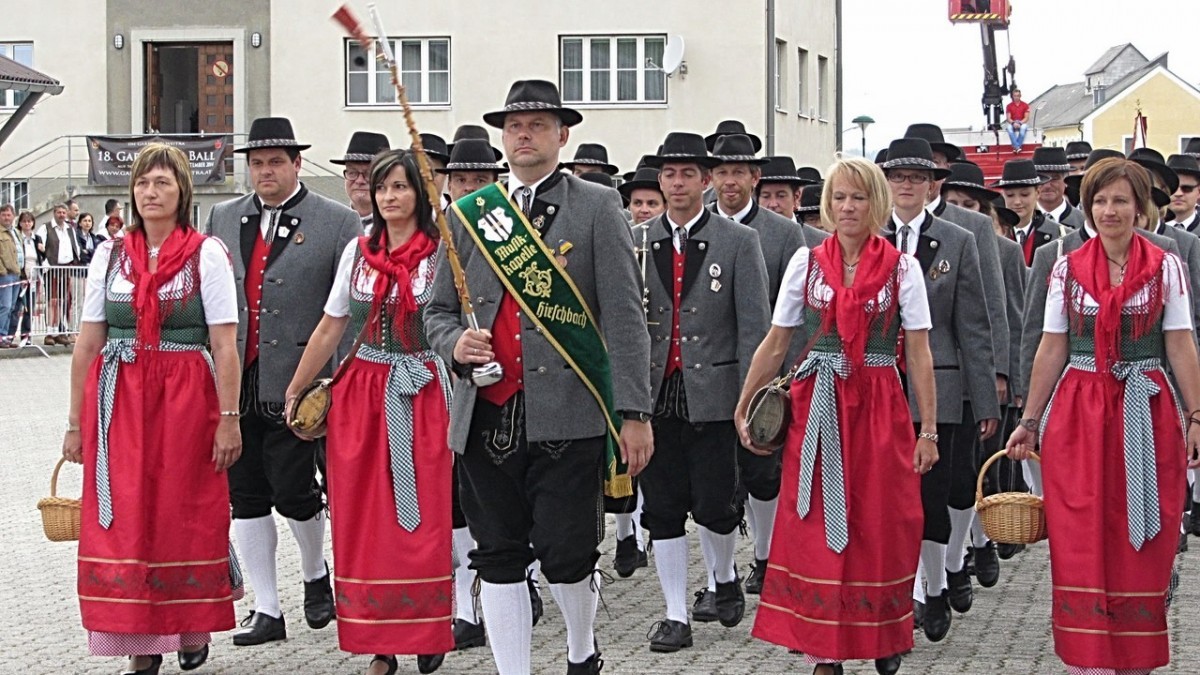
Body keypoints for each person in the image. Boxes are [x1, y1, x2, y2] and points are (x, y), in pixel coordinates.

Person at [424, 79, 652, 675]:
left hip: (570, 410)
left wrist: (634, 413)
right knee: (496, 554)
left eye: (537, 125)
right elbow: (437, 311)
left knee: (566, 551)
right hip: (485, 412)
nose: (524, 135)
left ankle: (581, 650)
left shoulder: (597, 205)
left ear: (562, 135)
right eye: (514, 126)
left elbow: (625, 318)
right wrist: (456, 344)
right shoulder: (470, 214)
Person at [738, 156, 938, 675]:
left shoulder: (903, 268)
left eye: (859, 197)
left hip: (879, 404)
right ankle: (823, 650)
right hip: (817, 408)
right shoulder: (805, 264)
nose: (848, 208)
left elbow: (919, 352)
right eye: (839, 197)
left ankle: (882, 631)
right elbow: (777, 340)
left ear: (877, 203)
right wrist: (747, 399)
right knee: (814, 522)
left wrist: (929, 429)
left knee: (881, 519)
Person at [1006, 157, 1200, 675]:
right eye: (1099, 201)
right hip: (1080, 407)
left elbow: (1180, 343)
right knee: (1080, 528)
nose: (1109, 211)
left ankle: (1135, 656)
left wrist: (1196, 415)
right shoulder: (1067, 269)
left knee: (1145, 532)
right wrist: (1030, 418)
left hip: (1147, 406)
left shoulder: (1166, 266)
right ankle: (1088, 658)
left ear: (1140, 208)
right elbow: (1051, 346)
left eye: (1120, 201)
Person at [61, 142, 242, 675]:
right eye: (142, 182)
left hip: (186, 397)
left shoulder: (207, 254)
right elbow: (88, 342)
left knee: (182, 512)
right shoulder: (109, 255)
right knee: (126, 515)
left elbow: (224, 345)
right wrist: (75, 422)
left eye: (162, 182)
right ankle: (141, 643)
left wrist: (229, 419)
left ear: (182, 191)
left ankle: (187, 625)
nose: (150, 192)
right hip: (119, 398)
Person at [285, 150, 450, 675]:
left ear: (420, 192)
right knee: (363, 519)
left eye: (400, 186)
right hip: (361, 394)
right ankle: (380, 643)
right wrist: (297, 387)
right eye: (382, 188)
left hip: (421, 391)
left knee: (421, 516)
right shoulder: (358, 253)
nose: (390, 197)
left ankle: (427, 627)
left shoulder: (444, 254)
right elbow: (332, 324)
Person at [206, 117, 362, 647]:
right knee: (245, 494)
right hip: (237, 376)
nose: (265, 171)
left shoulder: (338, 221)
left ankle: (316, 573)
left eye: (275, 161)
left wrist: (336, 380)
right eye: (256, 163)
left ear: (297, 164)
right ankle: (266, 608)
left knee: (296, 489)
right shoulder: (223, 216)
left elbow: (347, 312)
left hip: (302, 378)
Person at [636, 132, 769, 652]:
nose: (677, 183)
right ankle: (674, 614)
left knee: (716, 503)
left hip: (715, 393)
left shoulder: (738, 241)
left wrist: (751, 398)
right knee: (663, 508)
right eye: (669, 174)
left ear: (706, 180)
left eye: (687, 174)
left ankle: (724, 575)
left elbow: (754, 327)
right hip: (655, 394)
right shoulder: (638, 239)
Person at [881, 137, 999, 643]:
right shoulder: (869, 237)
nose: (907, 186)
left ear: (933, 185)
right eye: (898, 177)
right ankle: (901, 591)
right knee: (890, 498)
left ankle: (934, 586)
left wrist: (986, 397)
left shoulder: (957, 239)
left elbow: (974, 324)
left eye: (917, 178)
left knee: (933, 495)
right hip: (881, 385)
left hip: (942, 388)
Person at [708, 134, 812, 600]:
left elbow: (796, 312)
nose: (729, 181)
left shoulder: (783, 233)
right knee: (714, 479)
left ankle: (766, 556)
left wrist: (789, 377)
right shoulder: (699, 224)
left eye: (739, 172)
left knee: (762, 472)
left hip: (767, 369)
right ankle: (719, 575)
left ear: (755, 178)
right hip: (709, 369)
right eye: (722, 172)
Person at [433, 135, 508, 651]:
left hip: (483, 384)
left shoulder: (508, 231)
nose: (469, 189)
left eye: (480, 181)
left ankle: (514, 586)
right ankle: (463, 604)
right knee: (450, 502)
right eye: (461, 180)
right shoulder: (436, 232)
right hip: (427, 380)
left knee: (490, 501)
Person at [756, 155, 828, 246]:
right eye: (766, 196)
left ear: (796, 197)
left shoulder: (821, 242)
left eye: (781, 196)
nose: (773, 204)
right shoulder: (748, 239)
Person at [36, 203, 81, 345]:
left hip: (66, 269)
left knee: (62, 301)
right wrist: (45, 264)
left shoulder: (70, 229)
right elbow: (39, 248)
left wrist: (75, 262)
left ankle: (59, 331)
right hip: (52, 269)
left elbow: (75, 247)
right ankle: (50, 333)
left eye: (63, 212)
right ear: (54, 213)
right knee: (52, 301)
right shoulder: (45, 228)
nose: (61, 215)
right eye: (59, 212)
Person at [332, 130, 392, 234]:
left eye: (368, 174)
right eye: (352, 172)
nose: (360, 180)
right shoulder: (331, 223)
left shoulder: (399, 228)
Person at [1033, 147, 1086, 228]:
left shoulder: (1084, 222)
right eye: (1042, 178)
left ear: (1066, 180)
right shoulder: (1023, 222)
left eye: (1055, 178)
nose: (1047, 185)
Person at [11, 210, 40, 346]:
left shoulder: (37, 238)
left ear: (33, 223)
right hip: (21, 277)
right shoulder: (17, 237)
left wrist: (42, 250)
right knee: (17, 307)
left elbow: (41, 257)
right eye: (24, 221)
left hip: (34, 277)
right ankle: (10, 335)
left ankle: (26, 335)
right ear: (20, 223)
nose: (27, 224)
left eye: (29, 221)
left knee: (30, 308)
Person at [0, 204, 19, 348]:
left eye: (9, 215)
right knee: (4, 306)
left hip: (15, 274)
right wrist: (2, 271)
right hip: (5, 275)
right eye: (3, 215)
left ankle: (6, 336)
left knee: (12, 307)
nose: (6, 218)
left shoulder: (14, 232)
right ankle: (1, 335)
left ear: (13, 216)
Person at [1167, 154, 1200, 233]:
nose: (1178, 193)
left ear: (1199, 192)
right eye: (1173, 188)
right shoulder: (1149, 229)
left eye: (1187, 188)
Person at [1003, 88, 1030, 153]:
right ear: (1012, 96)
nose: (1016, 97)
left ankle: (1016, 147)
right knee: (1009, 128)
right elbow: (1008, 118)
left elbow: (1026, 118)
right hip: (1013, 122)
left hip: (1022, 122)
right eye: (1015, 96)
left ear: (1020, 96)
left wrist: (1020, 123)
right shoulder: (1009, 106)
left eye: (1018, 96)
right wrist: (1013, 123)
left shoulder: (1025, 105)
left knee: (1023, 128)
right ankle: (1017, 147)